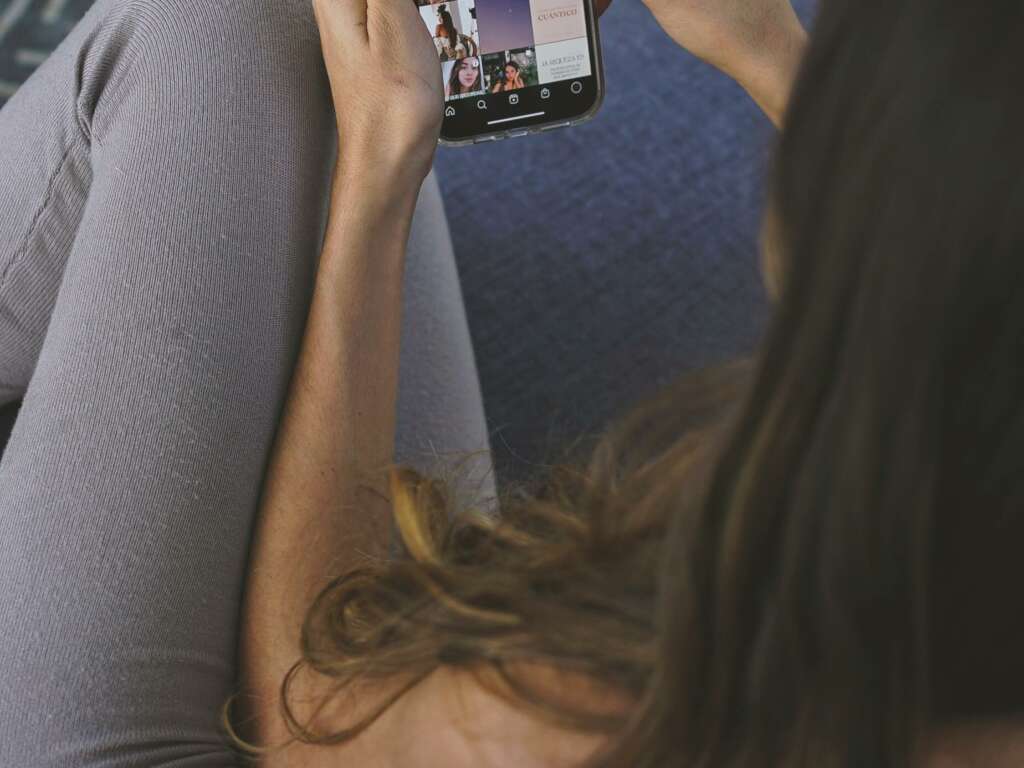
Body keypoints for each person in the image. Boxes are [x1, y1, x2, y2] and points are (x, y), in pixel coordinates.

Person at [0, 4, 1022, 768]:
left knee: (224, 37)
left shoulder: (671, 686)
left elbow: (308, 717)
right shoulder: (964, 527)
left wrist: (378, 182)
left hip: (317, 717)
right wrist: (769, 52)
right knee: (302, 59)